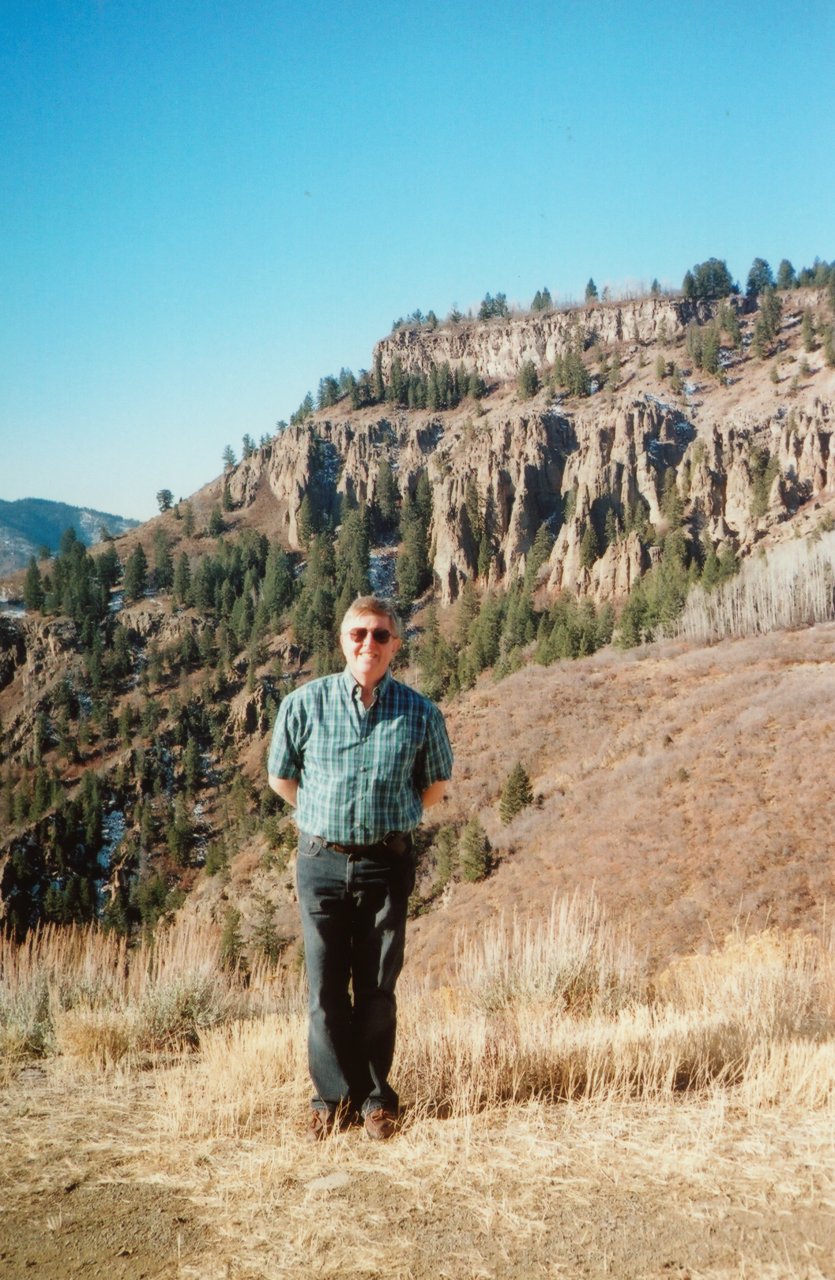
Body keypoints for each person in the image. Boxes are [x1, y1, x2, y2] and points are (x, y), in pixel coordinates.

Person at [267, 594, 453, 1141]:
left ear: (395, 645)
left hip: (385, 865)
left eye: (380, 634)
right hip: (320, 862)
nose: (368, 643)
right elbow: (281, 778)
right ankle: (330, 1101)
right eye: (359, 633)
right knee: (324, 989)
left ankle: (376, 1101)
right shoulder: (304, 704)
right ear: (343, 641)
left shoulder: (420, 712)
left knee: (376, 988)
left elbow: (436, 786)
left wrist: (391, 821)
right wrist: (321, 817)